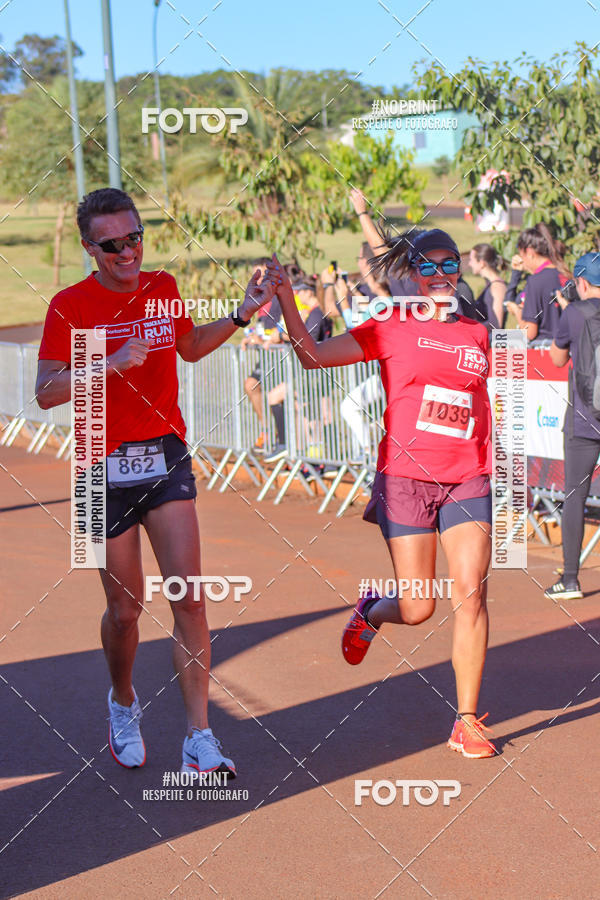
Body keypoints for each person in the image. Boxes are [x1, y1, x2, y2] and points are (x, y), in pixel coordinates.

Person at [35, 188, 275, 776]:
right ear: (91, 248)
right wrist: (106, 363)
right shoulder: (70, 305)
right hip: (97, 466)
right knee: (124, 610)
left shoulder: (162, 288)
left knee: (189, 598)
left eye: (134, 237)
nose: (127, 252)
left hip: (164, 456)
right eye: (112, 244)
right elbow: (44, 392)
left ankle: (199, 737)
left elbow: (189, 349)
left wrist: (241, 315)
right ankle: (122, 702)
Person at [266, 227, 496, 759]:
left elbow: (482, 406)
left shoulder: (477, 331)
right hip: (406, 478)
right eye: (429, 267)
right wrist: (284, 300)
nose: (441, 275)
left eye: (450, 264)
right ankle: (373, 611)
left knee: (472, 592)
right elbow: (313, 357)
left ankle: (465, 721)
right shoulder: (390, 325)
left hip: (467, 477)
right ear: (411, 275)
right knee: (419, 607)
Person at [546, 252, 600, 599]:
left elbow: (556, 357)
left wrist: (565, 310)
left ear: (581, 282)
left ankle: (569, 579)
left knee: (575, 497)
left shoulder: (574, 313)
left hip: (584, 421)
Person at [506, 224, 570, 342]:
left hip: (544, 348)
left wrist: (517, 311)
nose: (522, 259)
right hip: (566, 345)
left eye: (522, 255)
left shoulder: (535, 281)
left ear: (530, 252)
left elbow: (529, 332)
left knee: (494, 339)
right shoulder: (564, 273)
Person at [468, 243, 508, 328]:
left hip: (494, 340)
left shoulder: (497, 287)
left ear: (482, 263)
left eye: (471, 260)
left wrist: (471, 329)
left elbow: (496, 325)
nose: (469, 264)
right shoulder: (490, 285)